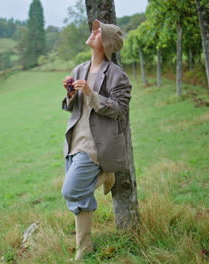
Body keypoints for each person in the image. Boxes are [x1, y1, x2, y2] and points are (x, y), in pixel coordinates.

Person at [60, 19, 132, 261]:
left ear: (107, 43)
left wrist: (91, 93)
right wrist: (71, 94)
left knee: (71, 191)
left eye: (99, 32)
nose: (93, 32)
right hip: (74, 140)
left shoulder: (116, 76)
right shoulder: (79, 69)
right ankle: (84, 248)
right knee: (79, 200)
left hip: (96, 145)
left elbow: (120, 109)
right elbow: (71, 107)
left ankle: (105, 174)